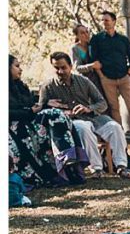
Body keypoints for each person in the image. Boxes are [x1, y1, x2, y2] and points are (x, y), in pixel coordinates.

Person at [39, 51, 130, 179]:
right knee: (83, 128)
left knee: (115, 127)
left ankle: (122, 167)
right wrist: (59, 112)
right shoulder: (48, 86)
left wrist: (88, 108)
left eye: (63, 67)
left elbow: (102, 103)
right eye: (57, 68)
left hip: (92, 117)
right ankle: (97, 169)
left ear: (71, 66)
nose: (60, 71)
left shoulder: (83, 81)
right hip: (70, 122)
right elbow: (41, 109)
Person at [9, 55, 87, 187]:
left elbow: (30, 103)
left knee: (56, 115)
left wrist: (44, 104)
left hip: (27, 122)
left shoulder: (19, 86)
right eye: (17, 66)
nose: (20, 69)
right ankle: (65, 165)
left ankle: (69, 162)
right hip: (14, 127)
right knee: (53, 116)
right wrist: (30, 111)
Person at [88, 10, 130, 142]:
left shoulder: (123, 40)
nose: (104, 23)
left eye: (107, 20)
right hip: (107, 78)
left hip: (124, 77)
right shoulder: (96, 40)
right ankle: (120, 134)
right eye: (102, 20)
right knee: (114, 107)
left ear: (114, 22)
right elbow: (94, 59)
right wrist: (101, 76)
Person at [71, 23, 104, 95]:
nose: (86, 34)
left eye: (87, 32)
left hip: (100, 78)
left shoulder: (93, 45)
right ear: (77, 35)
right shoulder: (75, 48)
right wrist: (91, 66)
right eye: (82, 33)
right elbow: (77, 68)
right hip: (86, 81)